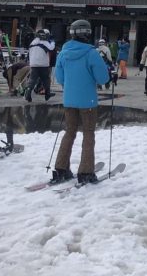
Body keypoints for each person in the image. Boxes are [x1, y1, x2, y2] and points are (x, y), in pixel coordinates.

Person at [53, 19, 111, 184]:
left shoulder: (63, 53)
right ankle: (85, 172)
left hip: (69, 100)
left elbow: (59, 78)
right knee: (88, 134)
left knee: (69, 132)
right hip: (88, 101)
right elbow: (103, 78)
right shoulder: (91, 53)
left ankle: (61, 168)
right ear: (87, 33)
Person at [25, 29, 55, 103]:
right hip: (43, 64)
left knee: (32, 79)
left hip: (33, 64)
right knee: (46, 79)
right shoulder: (44, 42)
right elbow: (51, 48)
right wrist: (53, 42)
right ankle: (47, 94)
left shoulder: (33, 42)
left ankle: (28, 92)